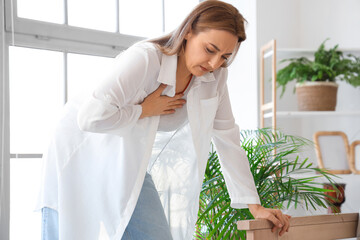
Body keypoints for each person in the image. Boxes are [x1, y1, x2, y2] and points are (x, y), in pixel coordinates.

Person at [36, 1, 290, 239]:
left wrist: (255, 207)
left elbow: (228, 138)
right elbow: (89, 118)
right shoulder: (147, 58)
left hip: (128, 159)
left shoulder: (215, 79)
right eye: (210, 50)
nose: (214, 63)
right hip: (80, 150)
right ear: (189, 31)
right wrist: (143, 110)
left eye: (225, 56)